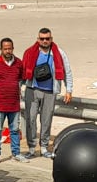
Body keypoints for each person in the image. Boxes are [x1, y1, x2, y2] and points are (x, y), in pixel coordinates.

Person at [21, 28, 74, 159]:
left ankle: (44, 147)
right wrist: (17, 88)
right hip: (32, 89)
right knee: (31, 119)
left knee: (46, 120)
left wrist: (69, 90)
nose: (45, 41)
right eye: (42, 39)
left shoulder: (59, 53)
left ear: (51, 39)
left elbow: (67, 71)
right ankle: (32, 148)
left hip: (50, 91)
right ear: (38, 39)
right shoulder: (30, 52)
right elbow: (22, 71)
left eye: (47, 39)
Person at [0, 37, 27, 163]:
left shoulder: (19, 63)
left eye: (10, 48)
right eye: (5, 49)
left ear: (13, 48)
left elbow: (21, 78)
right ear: (1, 49)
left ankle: (16, 153)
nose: (8, 51)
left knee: (14, 130)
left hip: (14, 104)